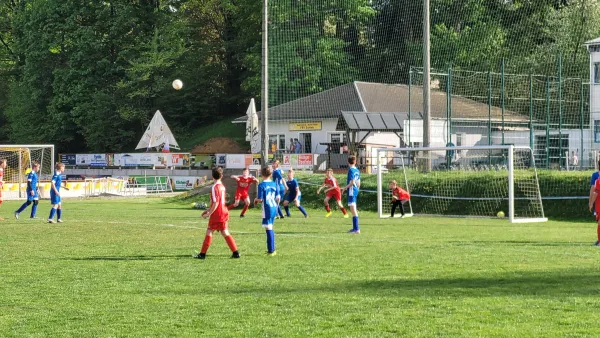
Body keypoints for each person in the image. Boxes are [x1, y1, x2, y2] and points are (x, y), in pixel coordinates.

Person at [194, 167, 240, 259]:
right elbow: (218, 202)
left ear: (212, 176)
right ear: (221, 176)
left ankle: (202, 254)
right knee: (225, 232)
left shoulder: (214, 187)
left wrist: (209, 213)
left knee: (209, 231)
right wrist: (208, 209)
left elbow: (216, 203)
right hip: (224, 211)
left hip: (217, 213)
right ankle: (236, 252)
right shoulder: (222, 186)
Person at [254, 166, 279, 256]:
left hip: (267, 208)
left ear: (261, 174)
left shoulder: (261, 185)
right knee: (270, 226)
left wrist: (256, 200)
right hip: (273, 207)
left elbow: (260, 199)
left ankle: (271, 250)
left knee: (268, 228)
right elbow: (278, 197)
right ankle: (271, 249)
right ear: (271, 174)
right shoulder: (273, 184)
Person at [341, 155, 361, 234]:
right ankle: (355, 228)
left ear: (348, 162)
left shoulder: (351, 170)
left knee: (353, 209)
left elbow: (352, 182)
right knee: (353, 208)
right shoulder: (357, 170)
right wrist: (357, 190)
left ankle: (356, 229)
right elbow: (359, 182)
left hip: (351, 191)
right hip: (355, 190)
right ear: (355, 162)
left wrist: (344, 188)